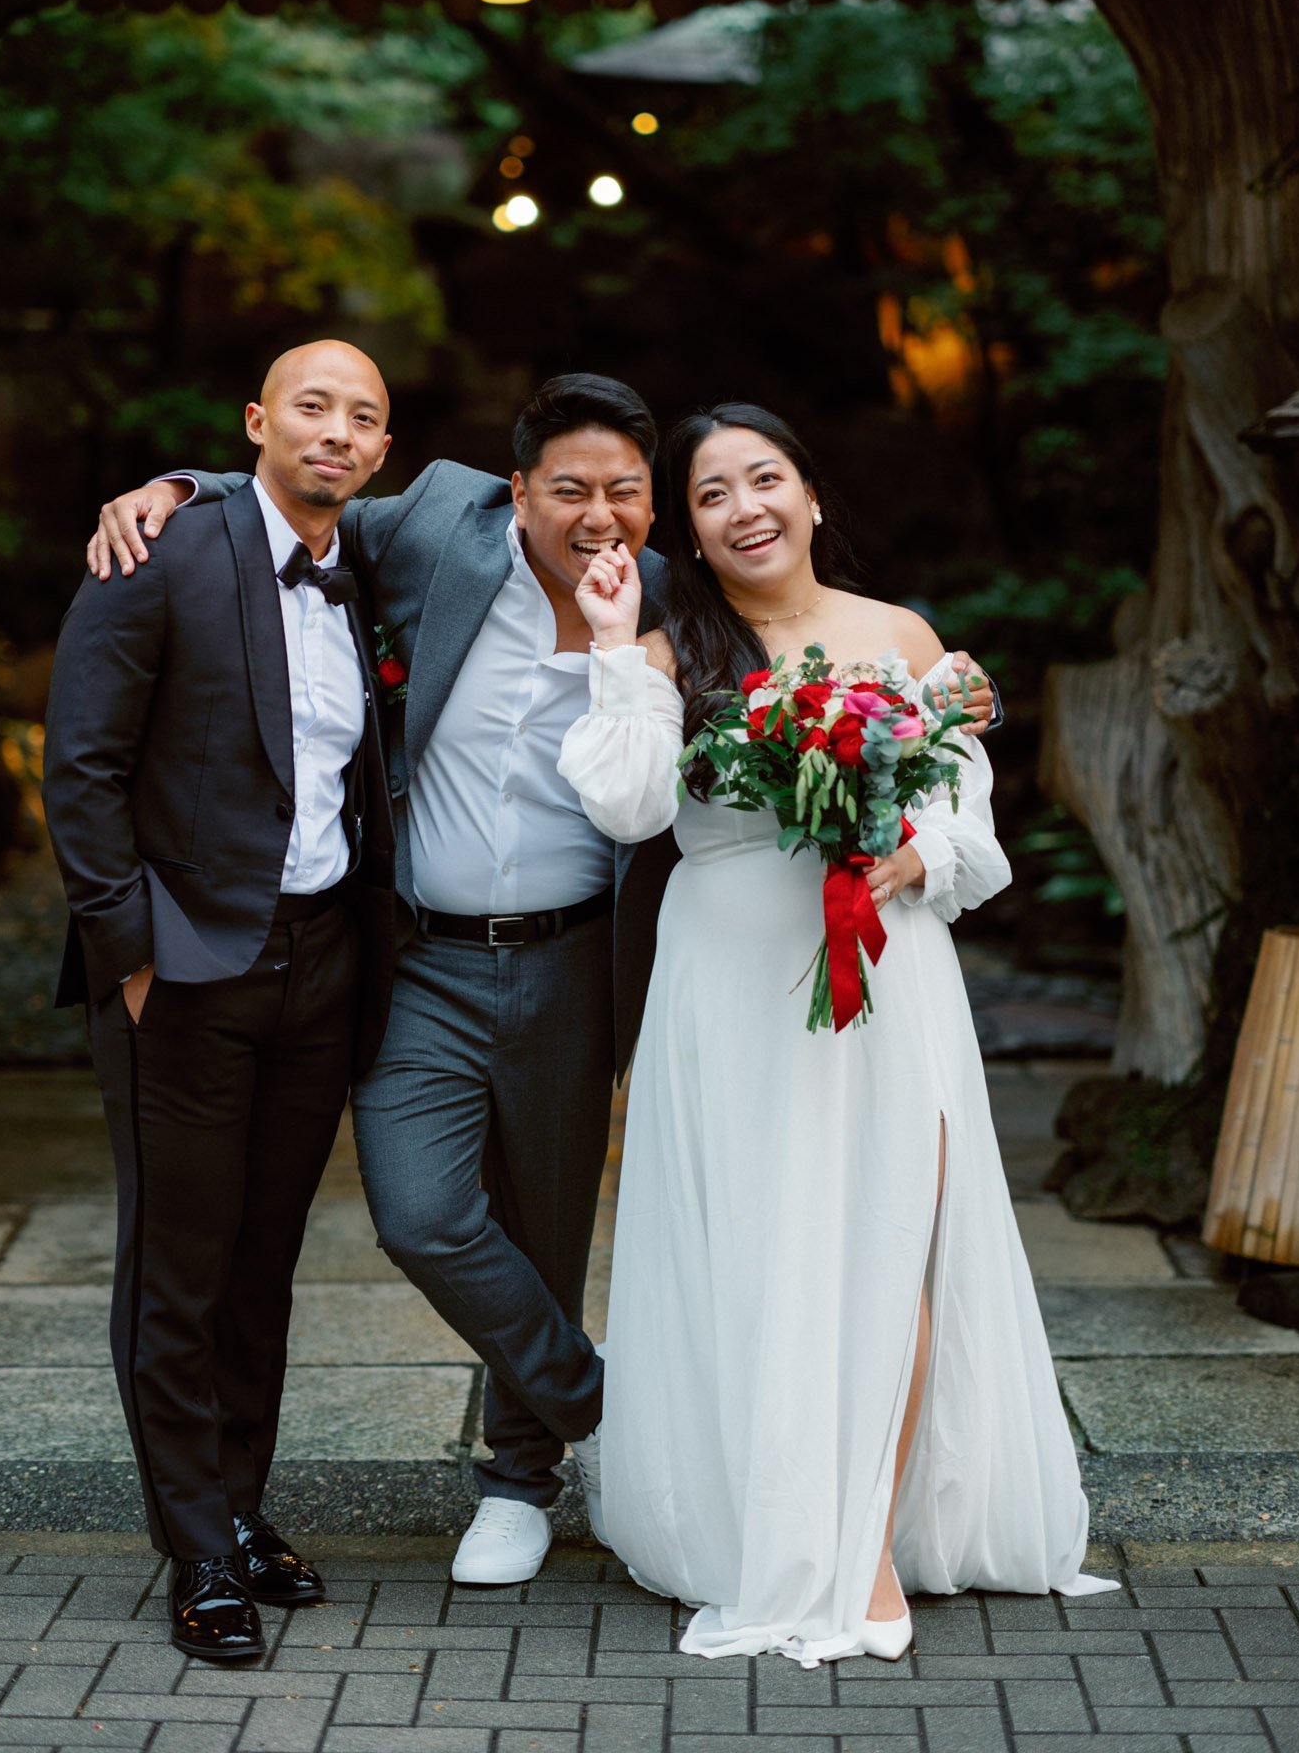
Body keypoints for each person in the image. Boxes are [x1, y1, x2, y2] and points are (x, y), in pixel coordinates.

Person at [86, 379, 999, 1589]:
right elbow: (305, 502)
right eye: (572, 488)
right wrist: (179, 487)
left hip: (582, 956)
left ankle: (520, 1479)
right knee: (418, 1211)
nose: (601, 514)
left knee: (549, 1222)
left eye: (628, 491)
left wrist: (942, 700)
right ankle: (595, 1399)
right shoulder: (439, 526)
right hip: (425, 953)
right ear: (519, 490)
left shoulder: (681, 606)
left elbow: (816, 663)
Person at [557, 401, 1113, 1667]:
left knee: (896, 1238)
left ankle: (863, 1540)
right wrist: (603, 645)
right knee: (759, 1244)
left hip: (883, 957)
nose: (744, 505)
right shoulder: (666, 650)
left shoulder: (902, 636)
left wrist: (904, 857)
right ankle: (786, 1519)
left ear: (809, 494)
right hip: (730, 967)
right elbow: (632, 807)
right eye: (710, 493)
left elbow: (970, 828)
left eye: (765, 477)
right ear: (686, 531)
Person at [43, 340, 397, 1663]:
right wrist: (131, 952)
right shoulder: (165, 549)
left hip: (322, 965)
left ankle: (238, 1509)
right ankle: (195, 1549)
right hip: (179, 973)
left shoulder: (373, 565)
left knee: (263, 1267)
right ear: (258, 420)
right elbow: (78, 767)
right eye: (313, 406)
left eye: (364, 417)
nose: (338, 432)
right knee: (178, 1271)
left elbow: (504, 497)